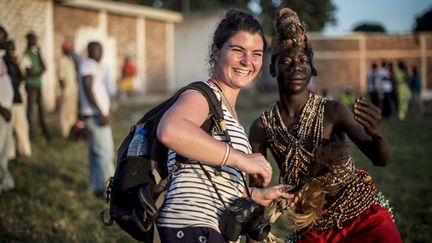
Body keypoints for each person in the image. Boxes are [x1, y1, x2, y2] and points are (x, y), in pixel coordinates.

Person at [249, 8, 401, 242]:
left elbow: (380, 160)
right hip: (312, 227)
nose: (295, 66)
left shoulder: (333, 111)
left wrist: (377, 135)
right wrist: (254, 233)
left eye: (302, 60)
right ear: (272, 68)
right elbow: (257, 192)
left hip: (361, 215)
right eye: (286, 61)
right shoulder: (262, 127)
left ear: (312, 69)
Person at [156, 9, 296, 242]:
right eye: (237, 50)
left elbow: (203, 177)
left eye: (256, 53)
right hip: (192, 228)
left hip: (206, 230)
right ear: (215, 51)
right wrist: (242, 159)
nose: (247, 61)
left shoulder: (227, 111)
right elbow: (171, 130)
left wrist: (255, 194)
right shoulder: (202, 95)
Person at [78, 41, 114, 198]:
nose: (100, 52)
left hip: (94, 115)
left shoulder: (94, 65)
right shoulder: (89, 65)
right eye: (97, 49)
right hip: (95, 116)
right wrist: (100, 112)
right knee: (105, 153)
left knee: (95, 153)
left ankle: (96, 187)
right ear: (90, 51)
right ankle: (112, 192)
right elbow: (87, 88)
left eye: (101, 49)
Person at [3, 40, 32, 157]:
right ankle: (10, 154)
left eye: (14, 48)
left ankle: (24, 151)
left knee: (22, 126)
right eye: (10, 48)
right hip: (6, 103)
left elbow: (22, 79)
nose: (12, 51)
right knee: (7, 132)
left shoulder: (15, 62)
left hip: (17, 99)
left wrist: (17, 64)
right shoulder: (3, 62)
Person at [21, 31, 51, 140]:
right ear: (29, 40)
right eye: (33, 39)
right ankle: (31, 134)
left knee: (41, 109)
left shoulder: (36, 54)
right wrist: (39, 71)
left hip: (38, 85)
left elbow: (44, 67)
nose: (35, 41)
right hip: (31, 86)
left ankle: (45, 133)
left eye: (35, 39)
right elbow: (30, 73)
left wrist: (40, 54)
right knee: (30, 110)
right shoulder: (26, 55)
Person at [0, 25, 15, 194]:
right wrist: (2, 108)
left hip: (7, 109)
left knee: (4, 150)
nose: (4, 41)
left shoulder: (3, 59)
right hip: (2, 111)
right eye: (1, 37)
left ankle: (4, 182)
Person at [58, 41, 79, 138]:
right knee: (65, 112)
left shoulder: (71, 59)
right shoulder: (62, 60)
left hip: (73, 89)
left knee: (72, 111)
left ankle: (72, 132)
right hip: (67, 90)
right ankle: (65, 133)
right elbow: (61, 78)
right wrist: (64, 90)